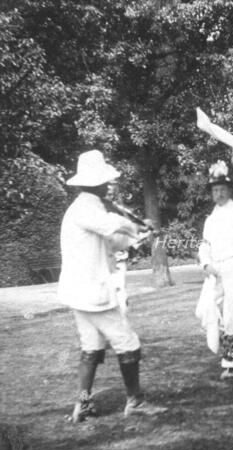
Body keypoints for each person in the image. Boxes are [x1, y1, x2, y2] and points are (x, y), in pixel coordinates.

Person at [58, 150, 166, 422]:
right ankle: (135, 402)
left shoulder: (90, 208)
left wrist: (141, 233)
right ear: (96, 183)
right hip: (93, 293)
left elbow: (112, 243)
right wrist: (136, 225)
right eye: (106, 181)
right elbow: (112, 226)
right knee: (127, 343)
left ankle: (83, 404)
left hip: (81, 294)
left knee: (92, 348)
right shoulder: (86, 208)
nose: (109, 185)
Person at [198, 151, 233, 380]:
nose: (218, 193)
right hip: (216, 267)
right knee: (204, 310)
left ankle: (230, 361)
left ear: (229, 190)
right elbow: (205, 244)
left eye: (222, 189)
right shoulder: (210, 218)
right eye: (214, 189)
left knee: (231, 310)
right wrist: (205, 264)